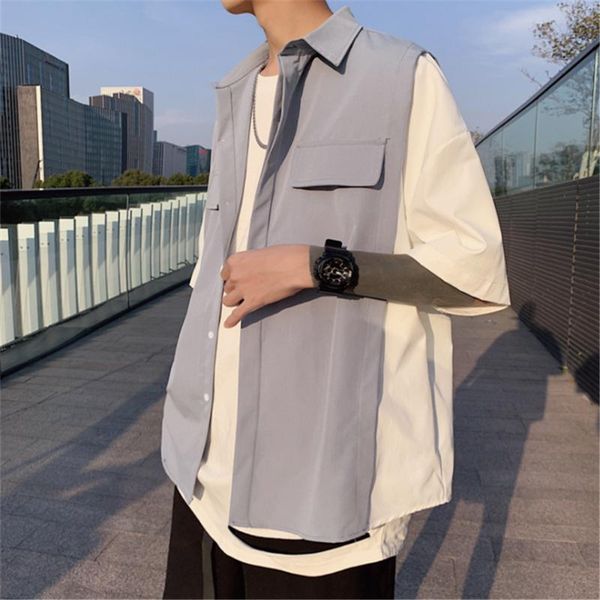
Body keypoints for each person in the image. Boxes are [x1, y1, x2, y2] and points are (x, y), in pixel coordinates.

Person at [161, 1, 511, 598]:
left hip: (324, 491)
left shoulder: (401, 76)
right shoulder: (235, 93)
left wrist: (316, 267)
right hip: (201, 478)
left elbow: (473, 270)